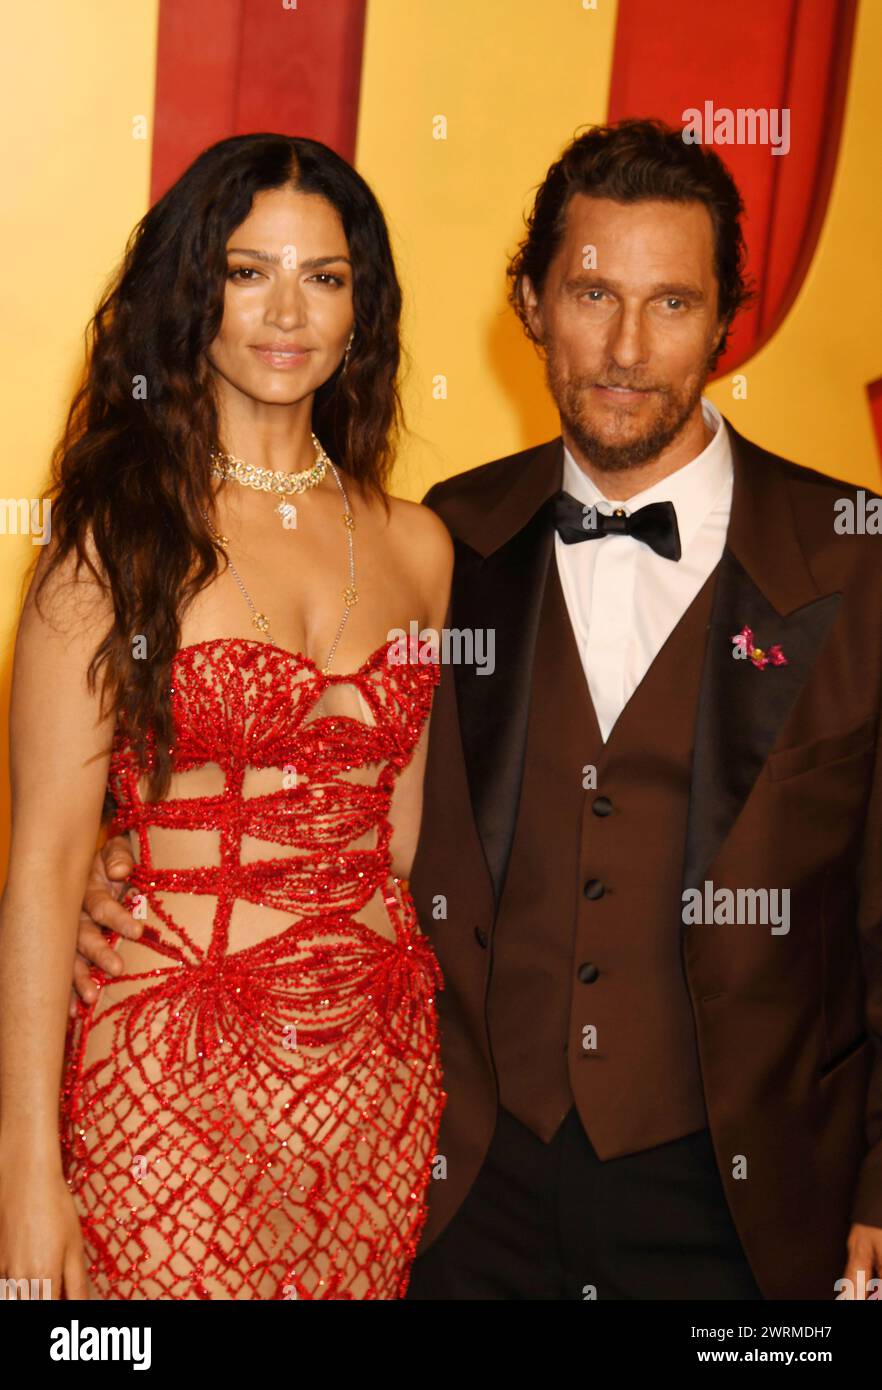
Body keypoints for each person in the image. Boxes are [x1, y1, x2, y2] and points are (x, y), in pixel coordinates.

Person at [72, 118, 882, 1301]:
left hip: (746, 1208)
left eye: (671, 303)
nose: (624, 345)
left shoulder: (852, 559)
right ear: (530, 303)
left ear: (728, 318)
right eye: (592, 291)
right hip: (463, 1190)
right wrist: (132, 864)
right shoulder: (446, 536)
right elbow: (328, 788)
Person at [0, 132, 453, 1301]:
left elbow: (399, 843)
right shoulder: (113, 545)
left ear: (365, 307)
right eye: (248, 271)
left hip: (371, 1091)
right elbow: (47, 867)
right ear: (193, 292)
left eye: (326, 275)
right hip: (163, 1087)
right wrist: (25, 1180)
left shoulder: (416, 545)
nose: (286, 310)